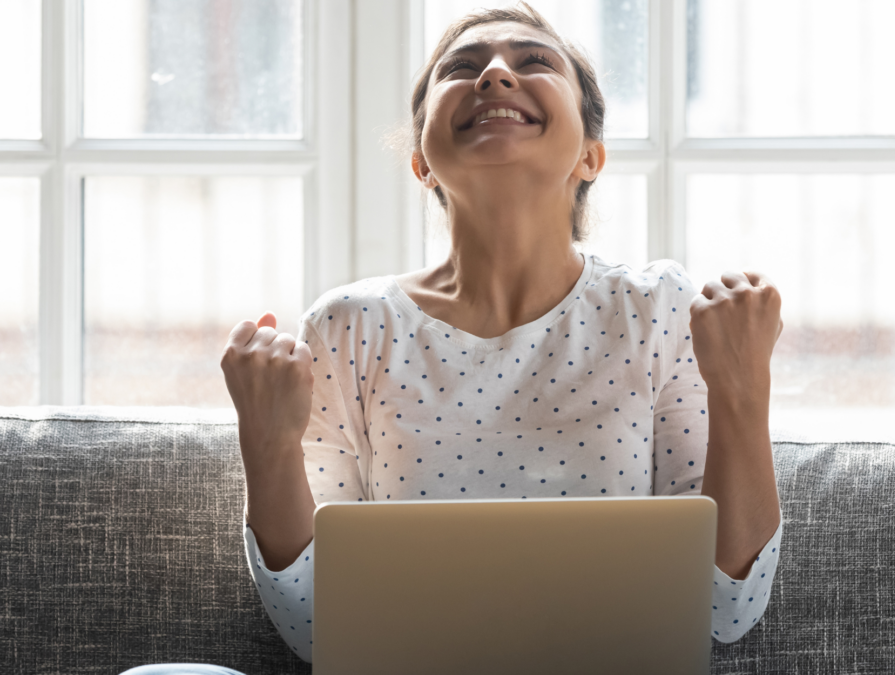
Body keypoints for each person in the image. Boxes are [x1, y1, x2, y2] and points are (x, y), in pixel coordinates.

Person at [125, 2, 784, 670]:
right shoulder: (349, 327)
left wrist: (743, 390)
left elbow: (727, 608)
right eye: (461, 68)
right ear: (422, 164)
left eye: (533, 61)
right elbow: (317, 627)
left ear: (591, 154)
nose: (495, 74)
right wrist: (267, 445)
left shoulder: (659, 310)